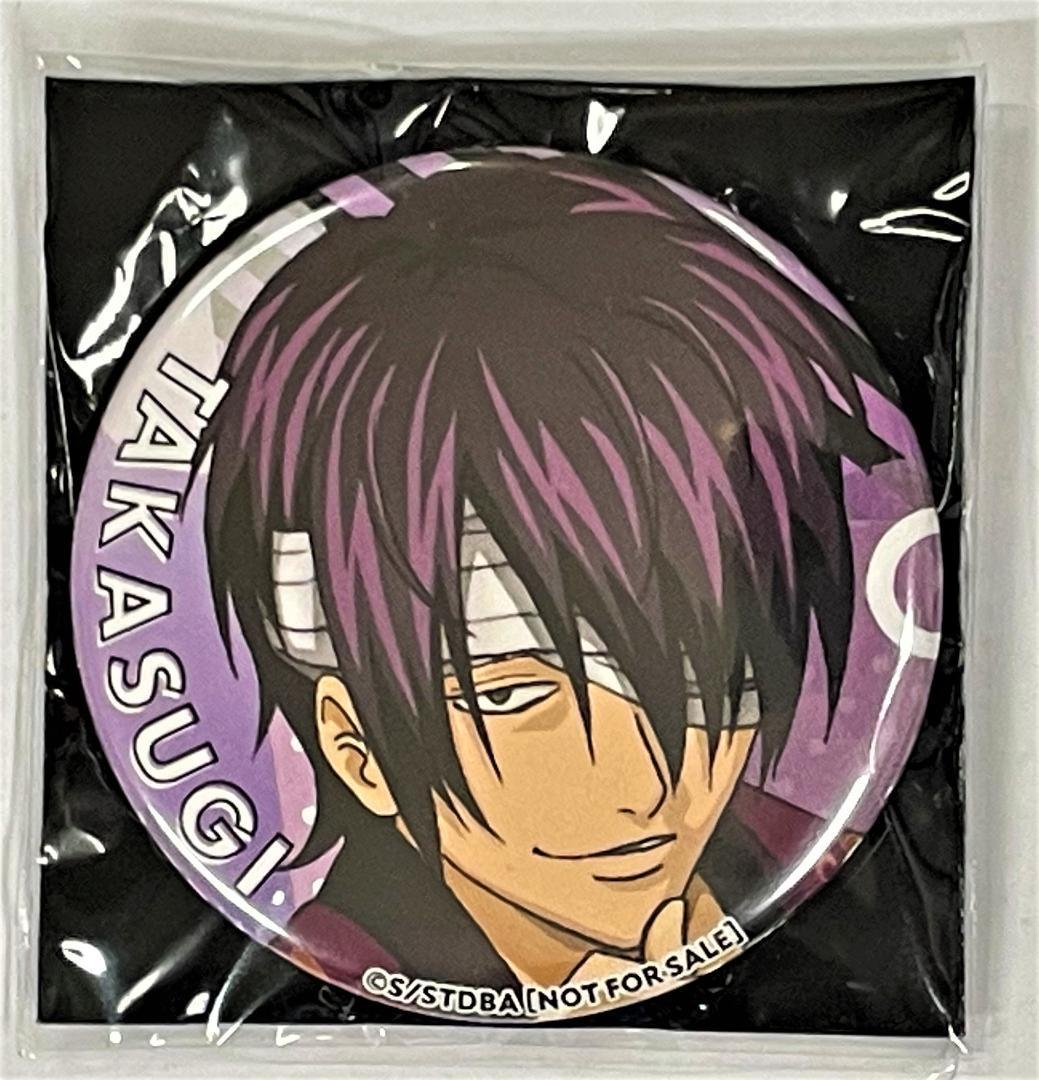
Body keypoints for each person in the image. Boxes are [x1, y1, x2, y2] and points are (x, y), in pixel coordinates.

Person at [198, 149, 892, 994]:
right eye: (516, 694)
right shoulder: (297, 988)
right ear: (356, 748)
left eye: (706, 675)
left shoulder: (830, 888)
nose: (645, 785)